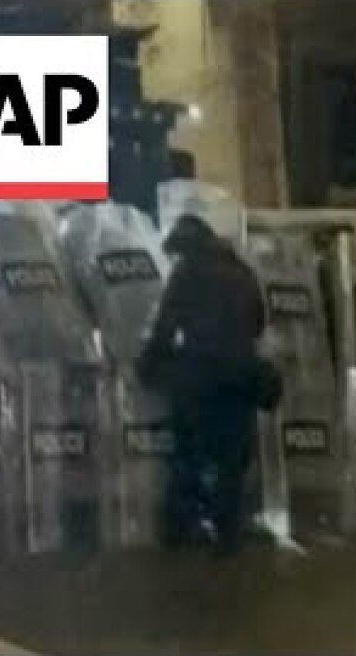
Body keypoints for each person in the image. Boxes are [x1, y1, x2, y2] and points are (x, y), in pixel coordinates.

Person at [138, 214, 271, 556]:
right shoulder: (242, 271)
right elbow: (258, 322)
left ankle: (177, 533)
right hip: (241, 378)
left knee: (188, 456)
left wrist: (147, 367)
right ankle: (229, 537)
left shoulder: (188, 272)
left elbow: (165, 328)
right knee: (231, 463)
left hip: (200, 377)